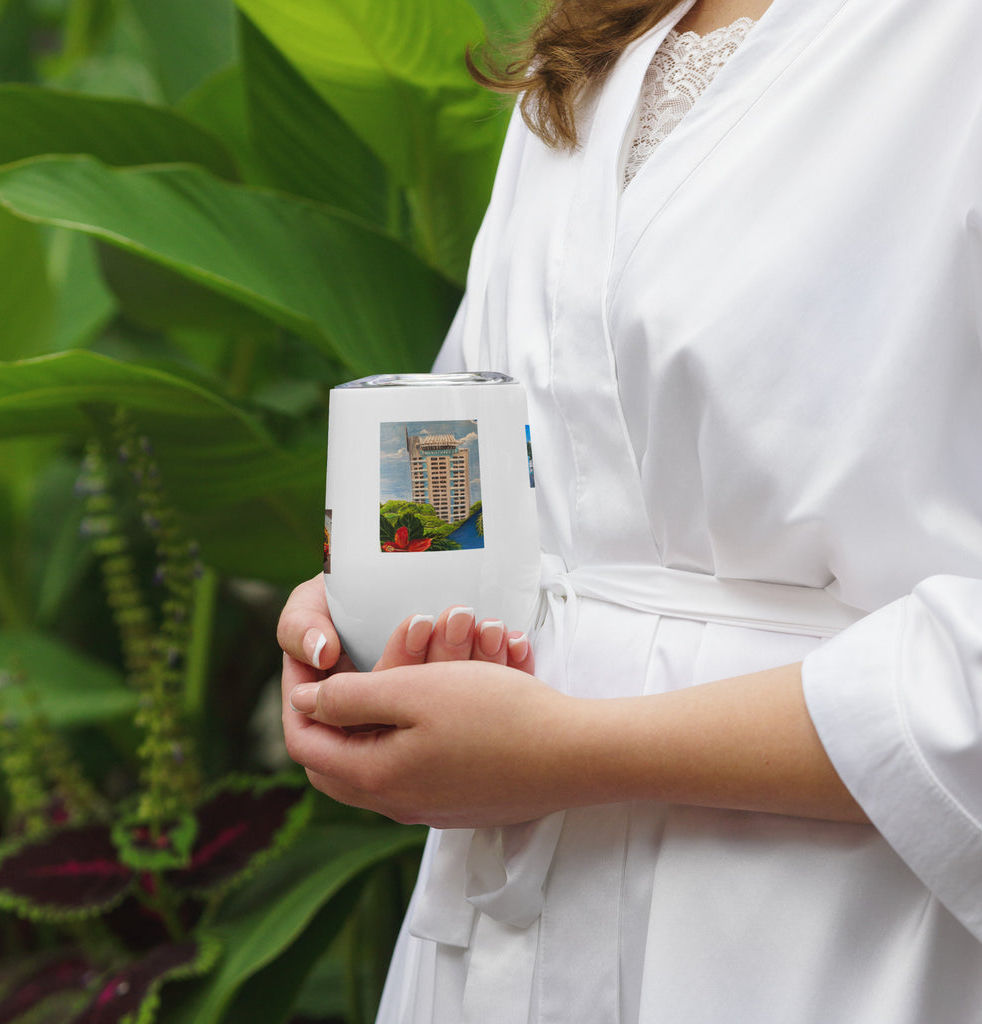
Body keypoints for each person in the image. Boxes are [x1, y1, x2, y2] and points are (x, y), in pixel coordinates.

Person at [278, 0, 982, 1019]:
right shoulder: (597, 42)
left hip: (832, 932)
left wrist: (568, 750)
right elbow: (499, 452)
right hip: (509, 930)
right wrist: (376, 613)